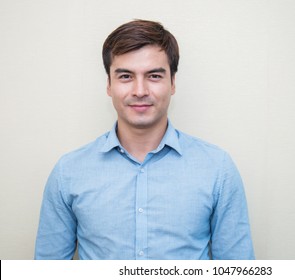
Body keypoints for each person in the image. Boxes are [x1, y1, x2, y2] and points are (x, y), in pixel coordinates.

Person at [35, 19, 255, 260]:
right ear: (109, 85)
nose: (140, 91)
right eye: (126, 76)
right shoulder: (68, 172)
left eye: (154, 76)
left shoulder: (217, 169)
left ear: (172, 83)